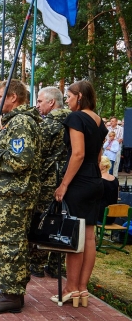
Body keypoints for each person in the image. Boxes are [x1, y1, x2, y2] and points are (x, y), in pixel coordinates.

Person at [0, 79, 42, 313]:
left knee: (10, 243)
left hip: (15, 196)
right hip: (11, 194)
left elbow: (21, 161)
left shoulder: (21, 123)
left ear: (13, 97)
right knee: (11, 242)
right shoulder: (14, 122)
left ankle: (12, 295)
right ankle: (12, 285)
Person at [51, 80, 108, 307]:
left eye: (70, 95)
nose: (67, 99)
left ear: (80, 97)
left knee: (75, 236)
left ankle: (70, 288)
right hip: (95, 181)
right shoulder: (98, 120)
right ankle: (82, 289)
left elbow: (78, 154)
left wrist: (64, 185)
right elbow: (97, 156)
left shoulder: (75, 118)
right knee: (90, 237)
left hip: (78, 183)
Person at [29, 87, 70, 279]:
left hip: (48, 181)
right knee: (62, 221)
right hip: (69, 180)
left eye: (39, 101)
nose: (37, 105)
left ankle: (37, 263)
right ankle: (56, 265)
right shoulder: (74, 121)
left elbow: (38, 153)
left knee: (41, 220)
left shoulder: (49, 125)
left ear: (51, 102)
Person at [98, 155, 119, 225]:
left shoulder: (99, 180)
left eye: (98, 163)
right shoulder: (115, 180)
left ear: (104, 166)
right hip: (112, 216)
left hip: (100, 216)